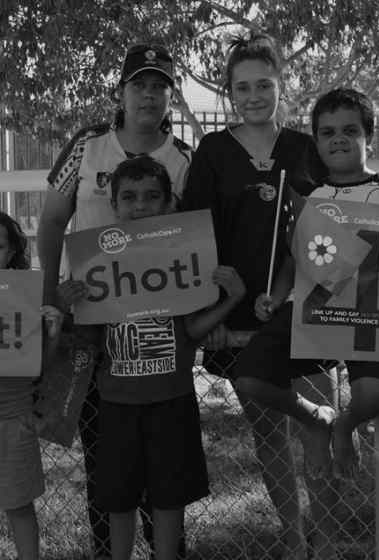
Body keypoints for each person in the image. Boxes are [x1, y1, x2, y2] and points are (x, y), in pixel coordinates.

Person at [181, 33, 339, 560]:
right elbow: (196, 238)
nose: (253, 96)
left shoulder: (303, 147)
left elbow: (334, 227)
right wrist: (214, 313)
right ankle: (294, 539)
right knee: (269, 433)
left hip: (307, 309)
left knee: (320, 427)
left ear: (281, 86)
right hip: (240, 317)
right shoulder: (212, 152)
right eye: (242, 87)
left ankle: (327, 537)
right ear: (228, 92)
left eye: (264, 85)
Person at [37, 43, 193, 560]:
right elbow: (53, 223)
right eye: (139, 85)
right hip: (90, 326)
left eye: (160, 86)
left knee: (163, 460)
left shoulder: (184, 158)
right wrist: (50, 299)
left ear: (170, 96)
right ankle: (109, 552)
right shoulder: (88, 146)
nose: (149, 95)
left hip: (156, 333)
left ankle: (167, 550)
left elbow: (192, 242)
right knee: (105, 459)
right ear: (121, 93)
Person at [234, 88, 379, 482]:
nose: (338, 138)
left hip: (372, 316)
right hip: (316, 311)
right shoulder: (309, 196)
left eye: (350, 130)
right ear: (317, 141)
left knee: (373, 396)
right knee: (249, 377)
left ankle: (344, 424)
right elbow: (293, 260)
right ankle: (317, 418)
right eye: (327, 132)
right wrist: (274, 296)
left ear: (368, 138)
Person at [61, 156, 245, 560]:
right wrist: (70, 305)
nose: (140, 206)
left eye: (151, 197)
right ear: (114, 206)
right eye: (129, 198)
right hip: (116, 404)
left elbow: (193, 330)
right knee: (118, 499)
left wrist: (232, 299)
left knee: (169, 497)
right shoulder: (96, 263)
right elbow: (87, 339)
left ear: (167, 205)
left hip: (172, 399)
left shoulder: (181, 259)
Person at [0, 211, 65, 560]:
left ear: (12, 251)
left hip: (12, 419)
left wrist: (52, 335)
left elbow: (39, 368)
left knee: (18, 506)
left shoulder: (24, 297)